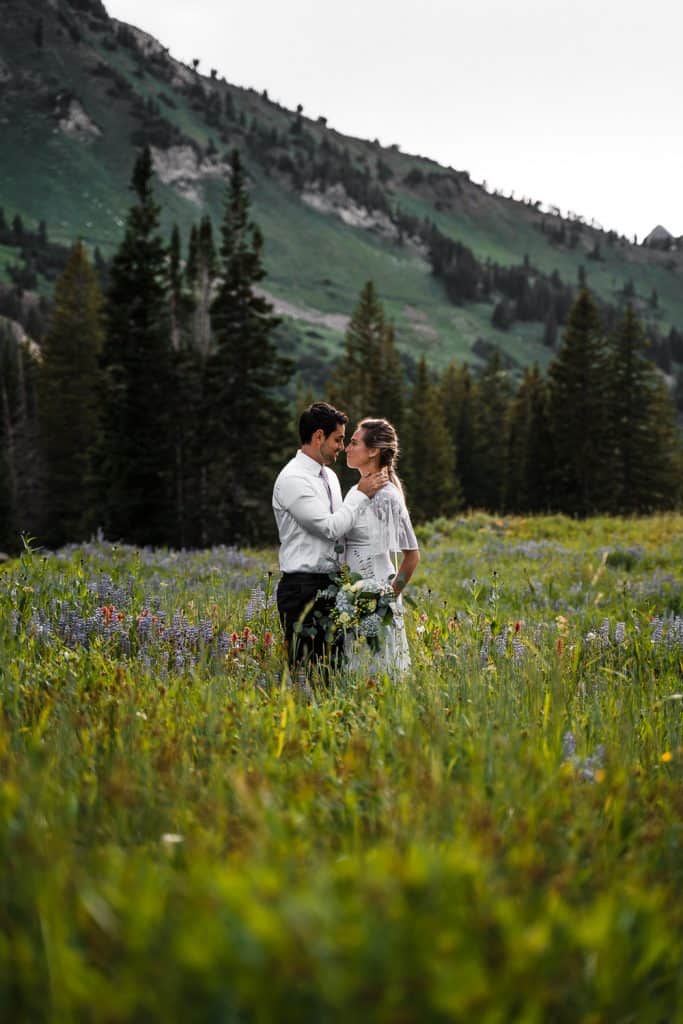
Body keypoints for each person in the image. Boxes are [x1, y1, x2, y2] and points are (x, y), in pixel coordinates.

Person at [272, 402, 388, 675]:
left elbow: (344, 529)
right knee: (306, 673)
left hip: (332, 587)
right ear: (318, 436)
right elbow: (328, 528)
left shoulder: (331, 477)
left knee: (333, 672)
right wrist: (360, 494)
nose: (342, 446)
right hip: (302, 589)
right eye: (338, 439)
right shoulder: (293, 479)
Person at [344, 418, 420, 676]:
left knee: (378, 671)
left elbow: (412, 556)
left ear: (373, 450)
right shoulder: (357, 491)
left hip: (376, 591)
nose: (347, 447)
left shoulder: (386, 495)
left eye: (354, 443)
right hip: (351, 595)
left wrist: (385, 599)